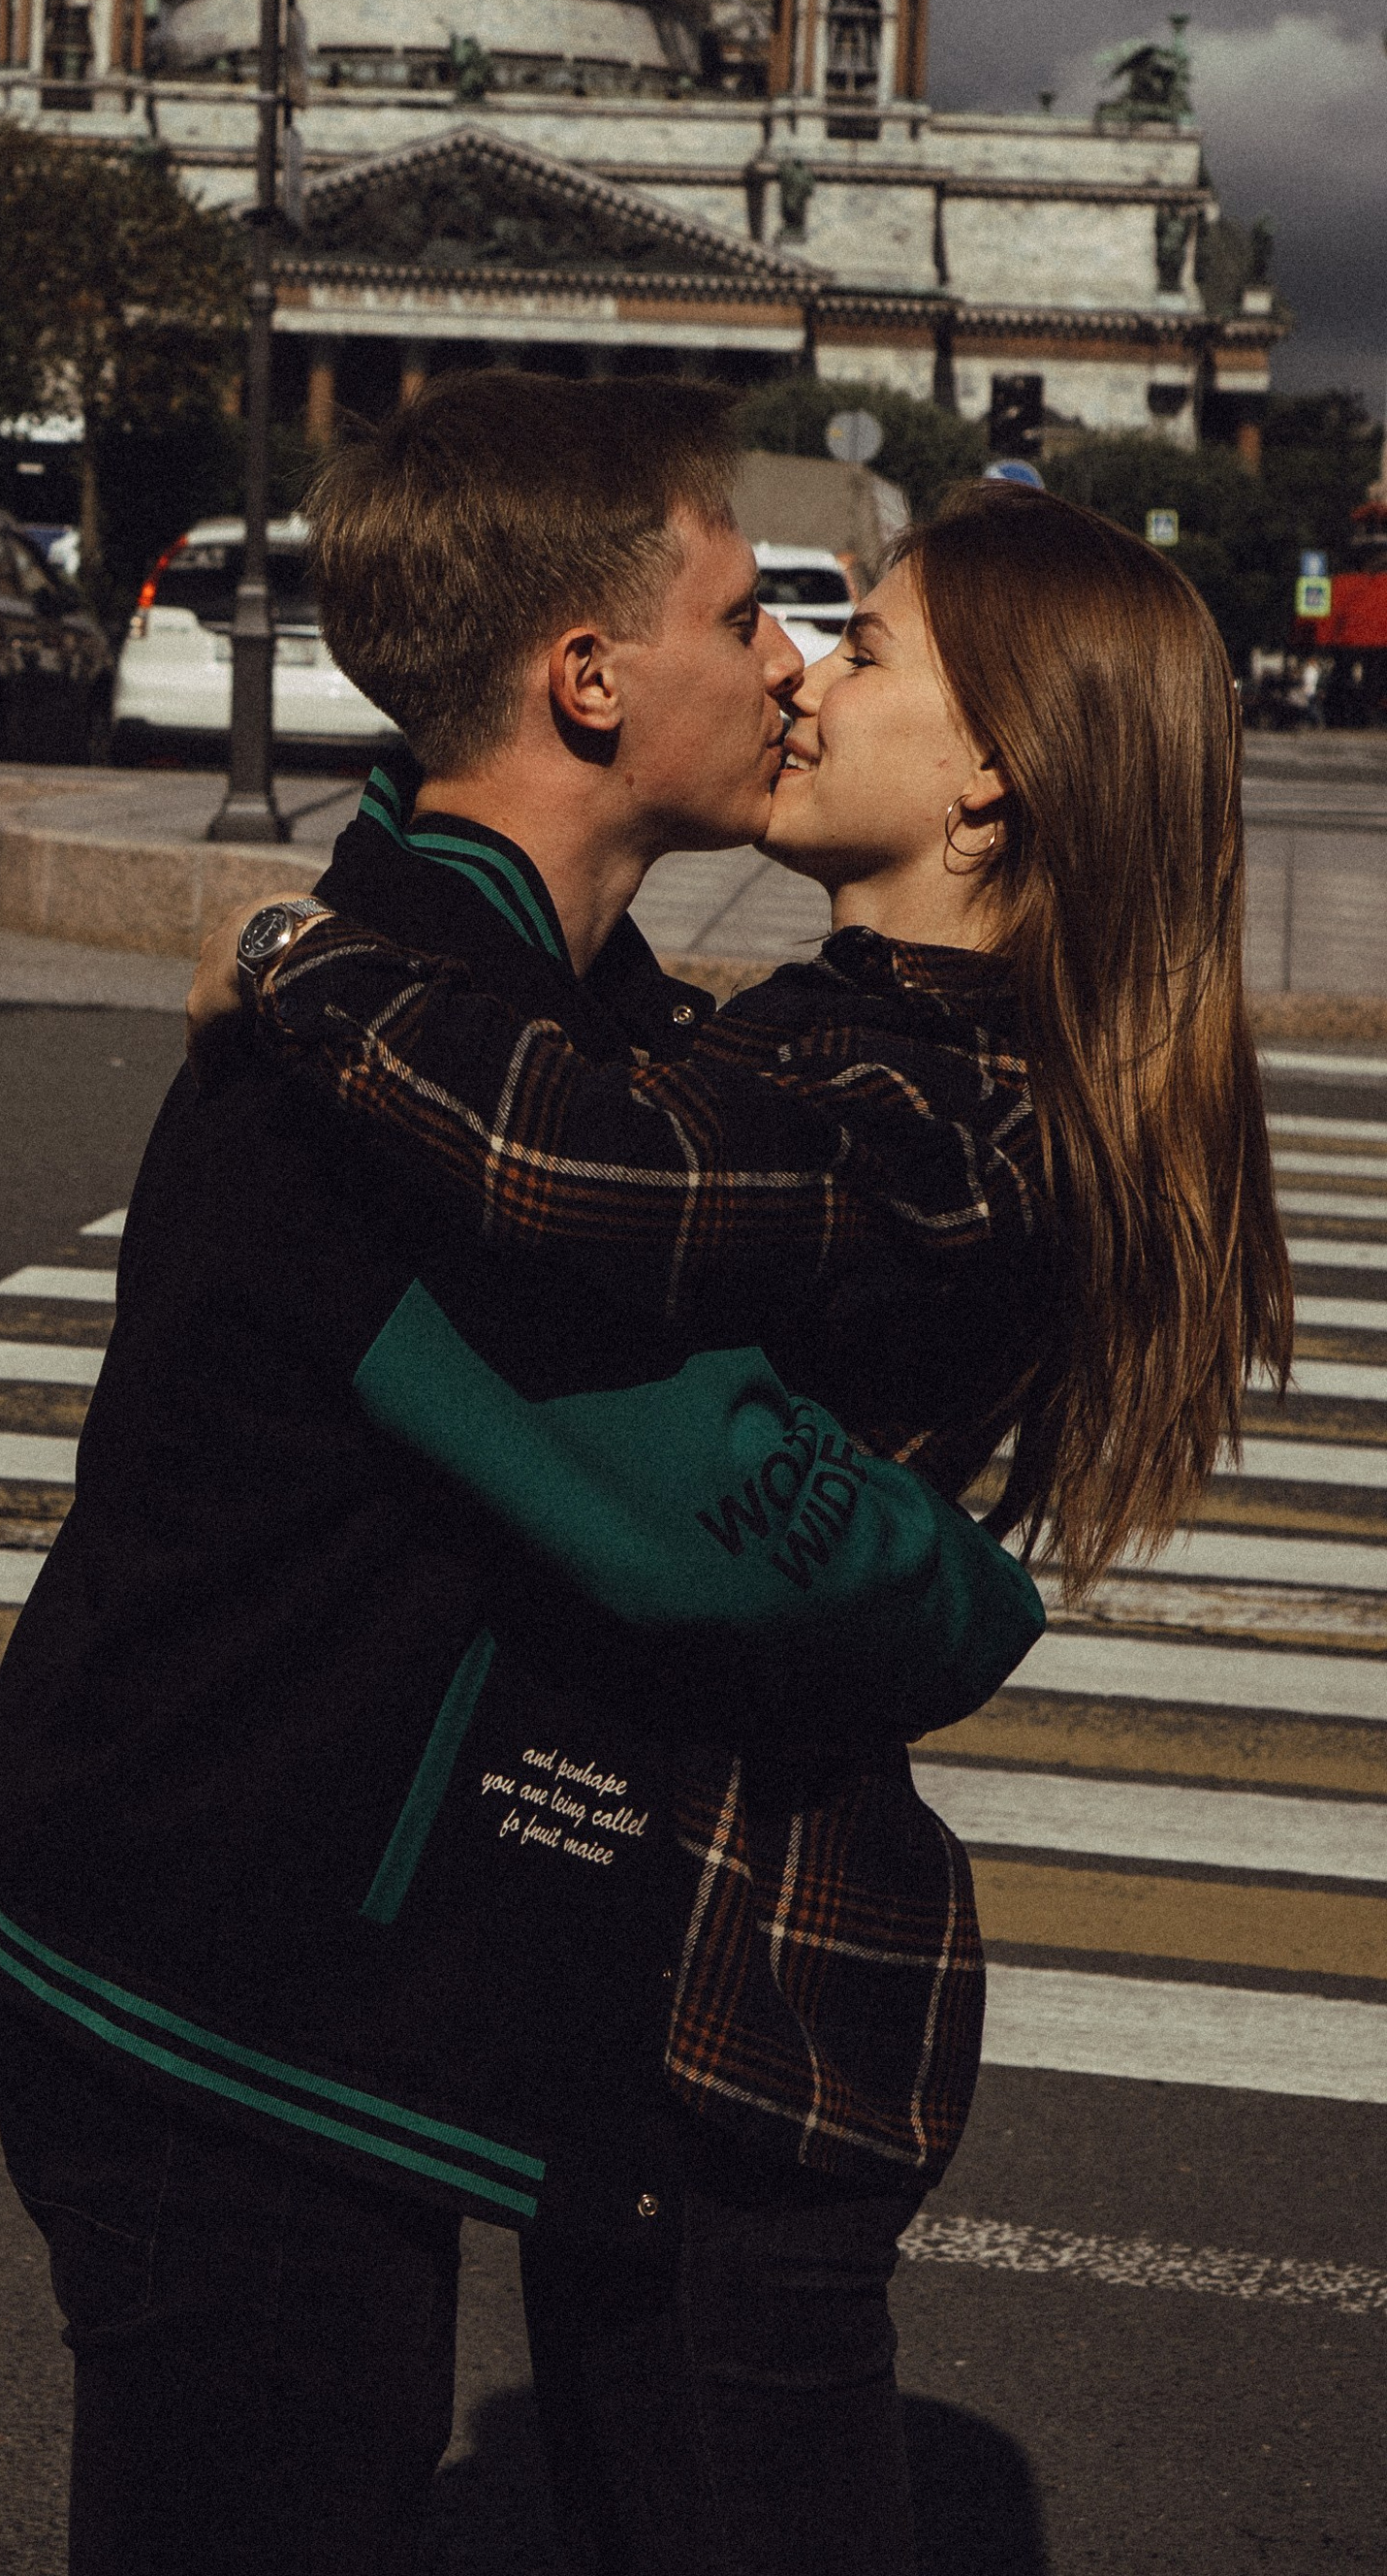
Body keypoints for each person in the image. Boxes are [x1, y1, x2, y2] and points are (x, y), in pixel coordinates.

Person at [0, 377, 1058, 2576]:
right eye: (745, 611)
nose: (784, 660)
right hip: (210, 1986)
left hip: (299, 1966)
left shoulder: (530, 1021)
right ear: (585, 678)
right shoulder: (400, 1084)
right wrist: (960, 1588)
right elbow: (711, 1522)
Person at [195, 461, 1291, 2571]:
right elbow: (643, 1095)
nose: (796, 677)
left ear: (990, 786)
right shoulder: (845, 1039)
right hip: (655, 1958)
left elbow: (613, 1180)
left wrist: (298, 964)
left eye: (863, 646)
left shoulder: (955, 1118)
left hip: (747, 1988)